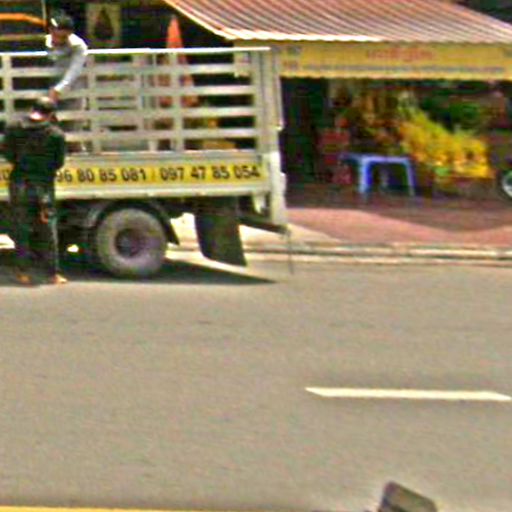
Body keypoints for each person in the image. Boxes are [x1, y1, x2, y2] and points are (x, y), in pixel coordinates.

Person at [3, 97, 68, 285]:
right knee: (47, 230)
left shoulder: (13, 128)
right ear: (51, 114)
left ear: (32, 109)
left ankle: (23, 272)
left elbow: (7, 153)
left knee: (21, 229)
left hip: (19, 184)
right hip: (43, 186)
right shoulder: (55, 134)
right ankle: (53, 274)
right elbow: (59, 162)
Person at [45, 12, 88, 151]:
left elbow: (75, 70)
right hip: (45, 93)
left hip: (72, 93)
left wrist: (59, 89)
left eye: (63, 37)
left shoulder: (78, 45)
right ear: (51, 30)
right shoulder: (42, 42)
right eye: (56, 35)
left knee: (73, 134)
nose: (59, 40)